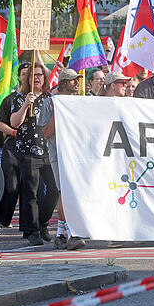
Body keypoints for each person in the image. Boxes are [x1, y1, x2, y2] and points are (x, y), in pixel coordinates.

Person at [6, 62, 58, 246]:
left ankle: (42, 222)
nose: (36, 78)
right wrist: (25, 105)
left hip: (48, 150)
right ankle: (33, 231)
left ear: (45, 79)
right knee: (31, 193)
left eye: (39, 75)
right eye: (33, 75)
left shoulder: (50, 98)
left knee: (54, 189)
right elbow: (14, 122)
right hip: (28, 151)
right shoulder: (20, 98)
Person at [38, 68, 85, 250]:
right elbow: (46, 133)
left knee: (69, 193)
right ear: (64, 83)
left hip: (78, 154)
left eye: (77, 80)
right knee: (65, 192)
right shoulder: (50, 103)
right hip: (59, 153)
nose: (76, 83)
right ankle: (71, 233)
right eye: (73, 80)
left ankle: (61, 234)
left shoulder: (80, 102)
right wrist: (60, 112)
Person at [0, 63, 30, 237]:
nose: (28, 77)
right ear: (19, 77)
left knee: (30, 189)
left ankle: (30, 228)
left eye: (31, 74)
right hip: (13, 147)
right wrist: (14, 132)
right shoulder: (11, 99)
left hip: (33, 149)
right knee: (11, 187)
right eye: (24, 74)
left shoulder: (42, 98)